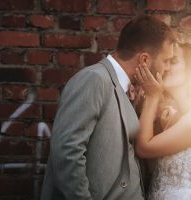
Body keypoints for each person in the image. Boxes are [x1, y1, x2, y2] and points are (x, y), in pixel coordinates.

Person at [40, 15, 176, 200]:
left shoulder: (128, 88)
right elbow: (67, 152)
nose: (168, 67)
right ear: (144, 60)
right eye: (166, 60)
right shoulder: (94, 79)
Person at [135, 43, 191, 199]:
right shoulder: (172, 117)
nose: (166, 68)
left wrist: (153, 96)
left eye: (173, 62)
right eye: (166, 62)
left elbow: (143, 148)